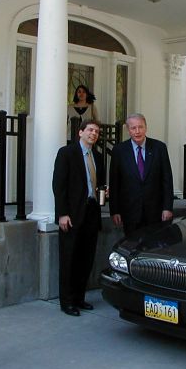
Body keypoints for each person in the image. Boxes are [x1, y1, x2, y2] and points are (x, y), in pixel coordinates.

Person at [52, 119, 105, 317]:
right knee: (69, 259)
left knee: (86, 258)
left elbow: (99, 183)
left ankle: (79, 298)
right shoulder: (66, 153)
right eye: (90, 130)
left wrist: (104, 192)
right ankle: (66, 302)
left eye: (97, 131)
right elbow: (59, 185)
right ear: (80, 132)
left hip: (92, 212)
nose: (93, 134)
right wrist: (62, 214)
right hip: (72, 214)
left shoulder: (97, 156)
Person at [109, 113, 174, 236]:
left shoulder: (159, 148)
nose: (137, 131)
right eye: (133, 128)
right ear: (128, 130)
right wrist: (115, 211)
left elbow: (167, 180)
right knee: (132, 245)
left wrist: (167, 207)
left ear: (146, 127)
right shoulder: (119, 151)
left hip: (156, 213)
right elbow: (114, 183)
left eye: (140, 127)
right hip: (130, 213)